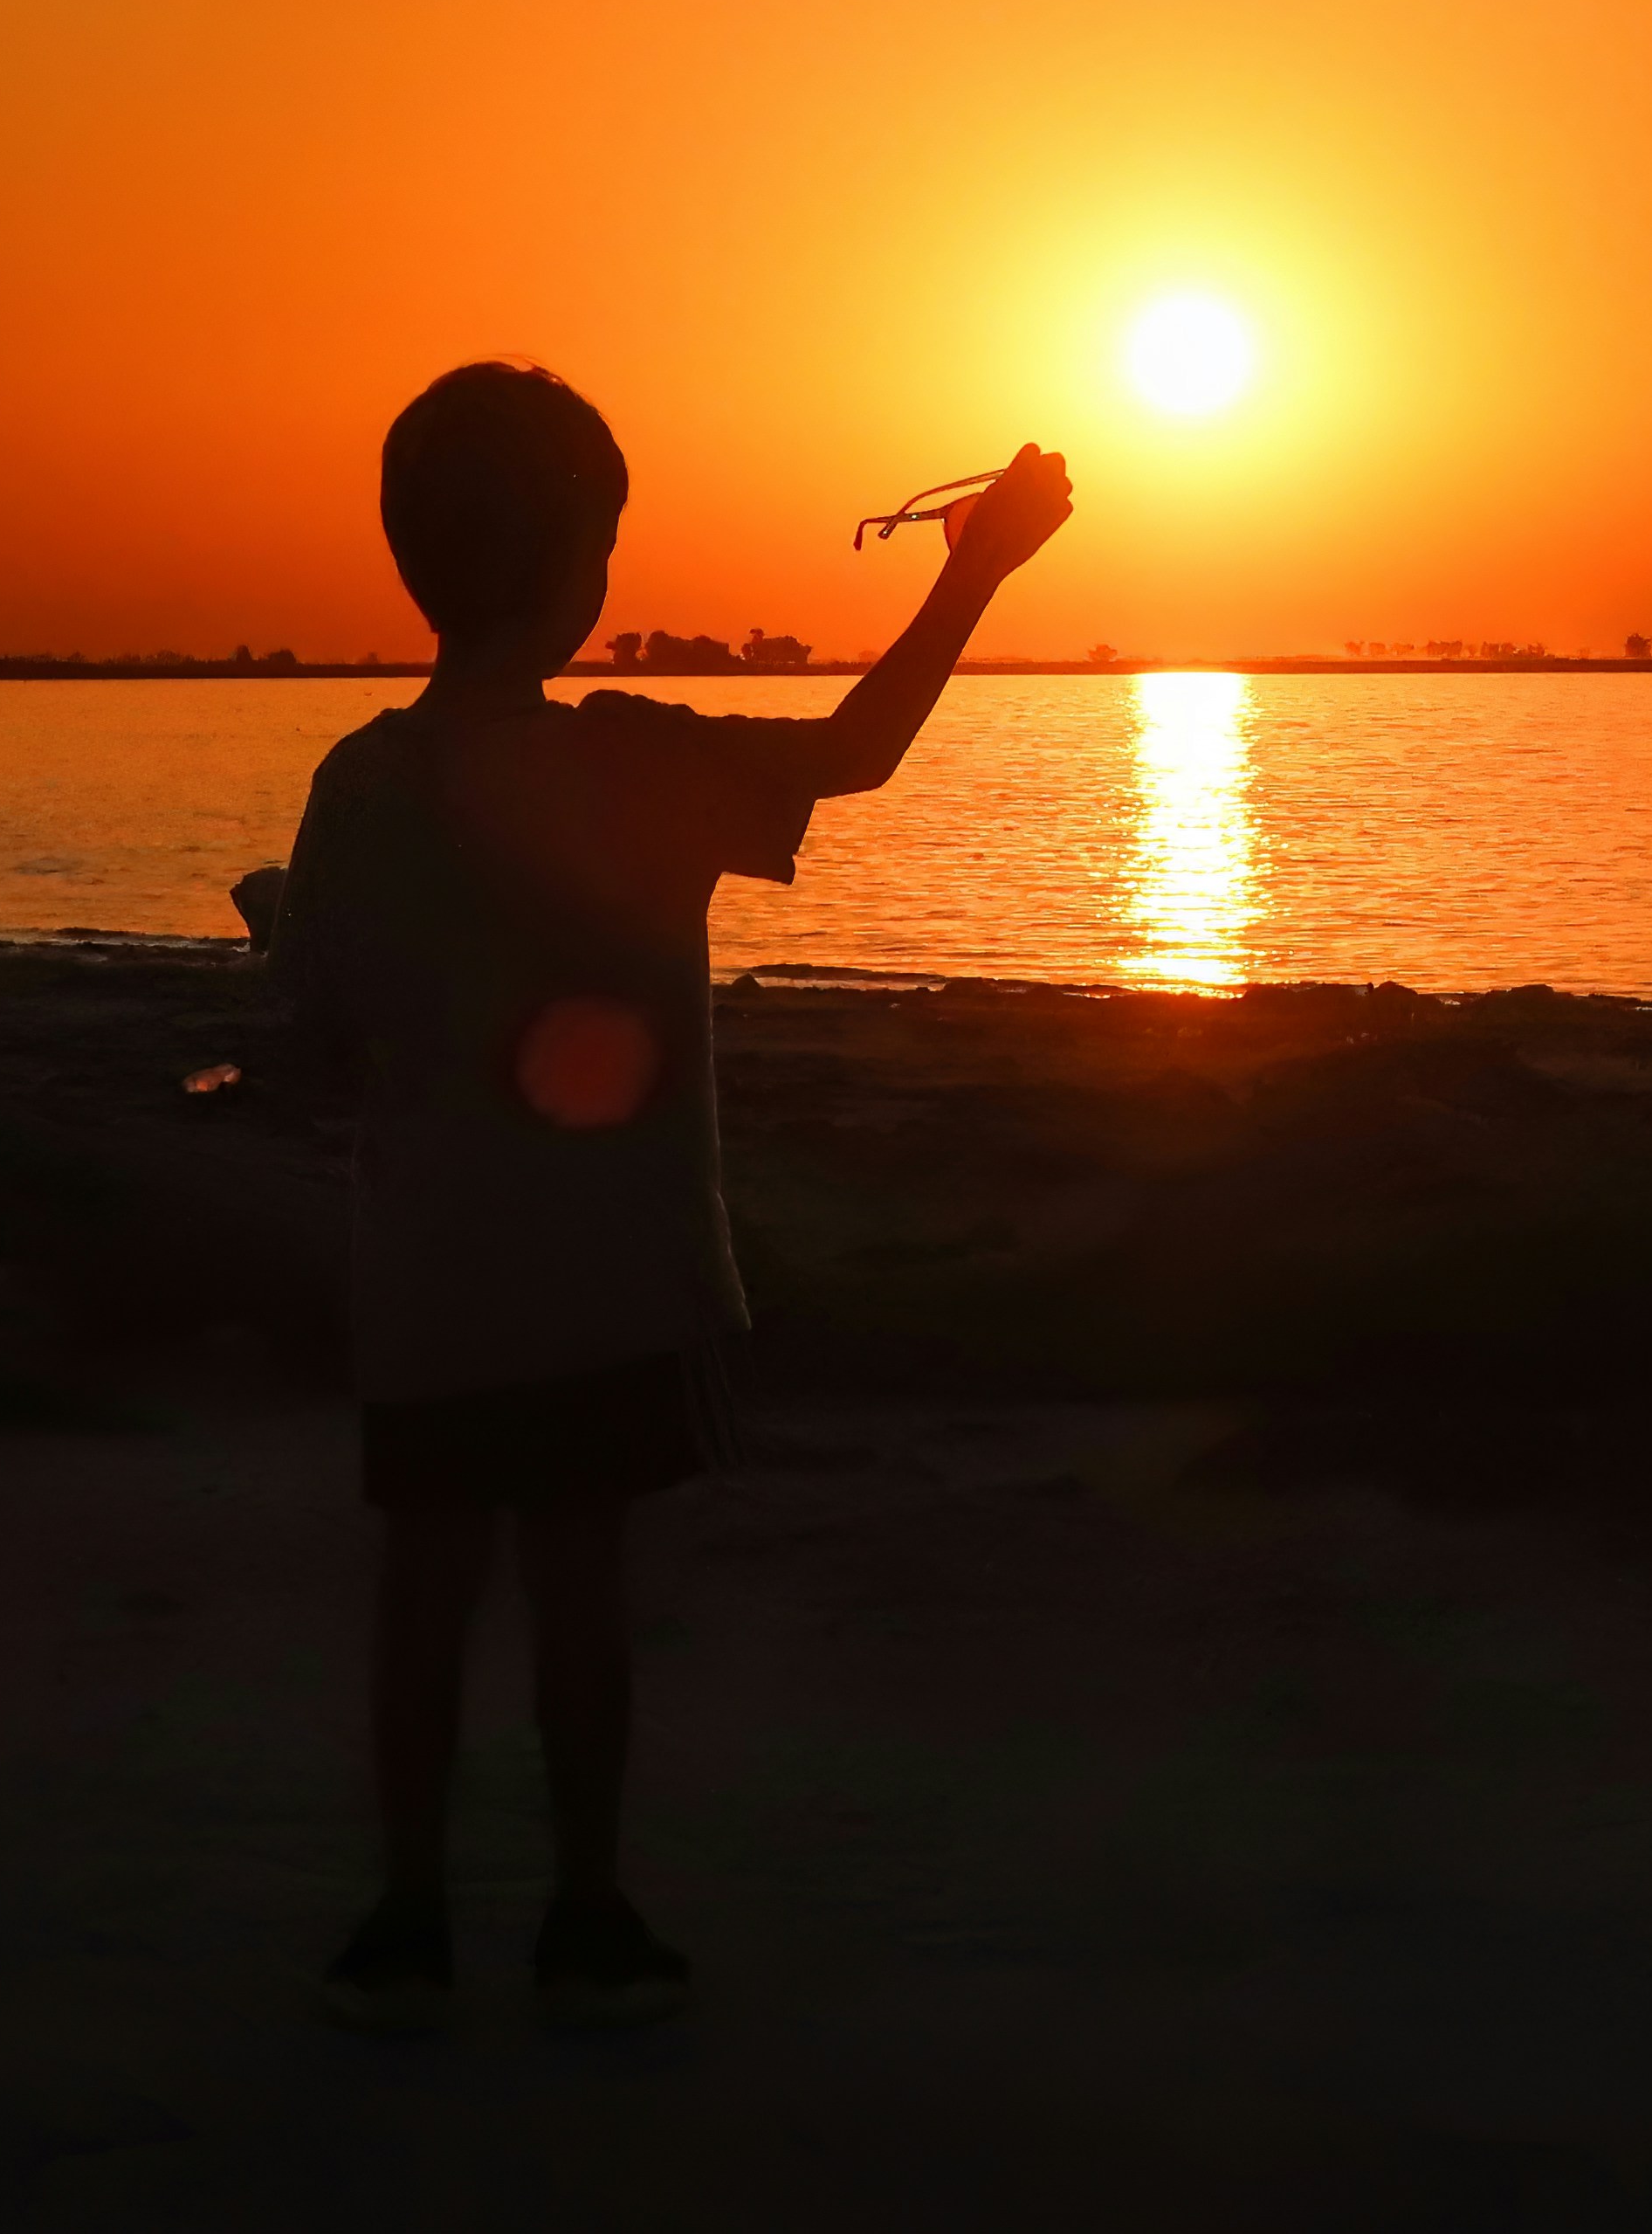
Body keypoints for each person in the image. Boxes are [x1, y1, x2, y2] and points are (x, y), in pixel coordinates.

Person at [264, 362, 1071, 2033]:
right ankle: (586, 1906)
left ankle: (410, 1913)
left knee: (427, 1595)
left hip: (429, 1288)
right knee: (578, 1592)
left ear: (417, 558)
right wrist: (974, 570)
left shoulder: (357, 787)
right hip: (609, 1287)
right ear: (581, 568)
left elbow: (321, 1042)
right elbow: (860, 749)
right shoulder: (635, 767)